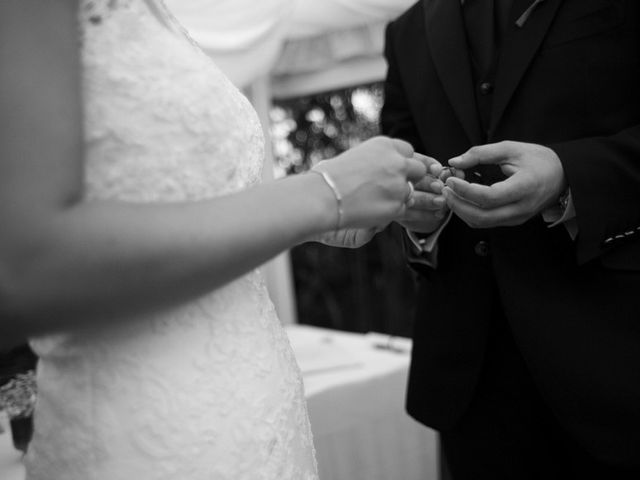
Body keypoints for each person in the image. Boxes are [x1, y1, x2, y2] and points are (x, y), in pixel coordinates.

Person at [0, 1, 430, 478]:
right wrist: (321, 196)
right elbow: (24, 270)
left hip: (254, 422)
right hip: (151, 439)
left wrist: (304, 216)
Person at [383, 0, 640, 478]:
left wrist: (569, 176)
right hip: (469, 386)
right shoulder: (406, 30)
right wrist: (420, 221)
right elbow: (403, 159)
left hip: (617, 365)